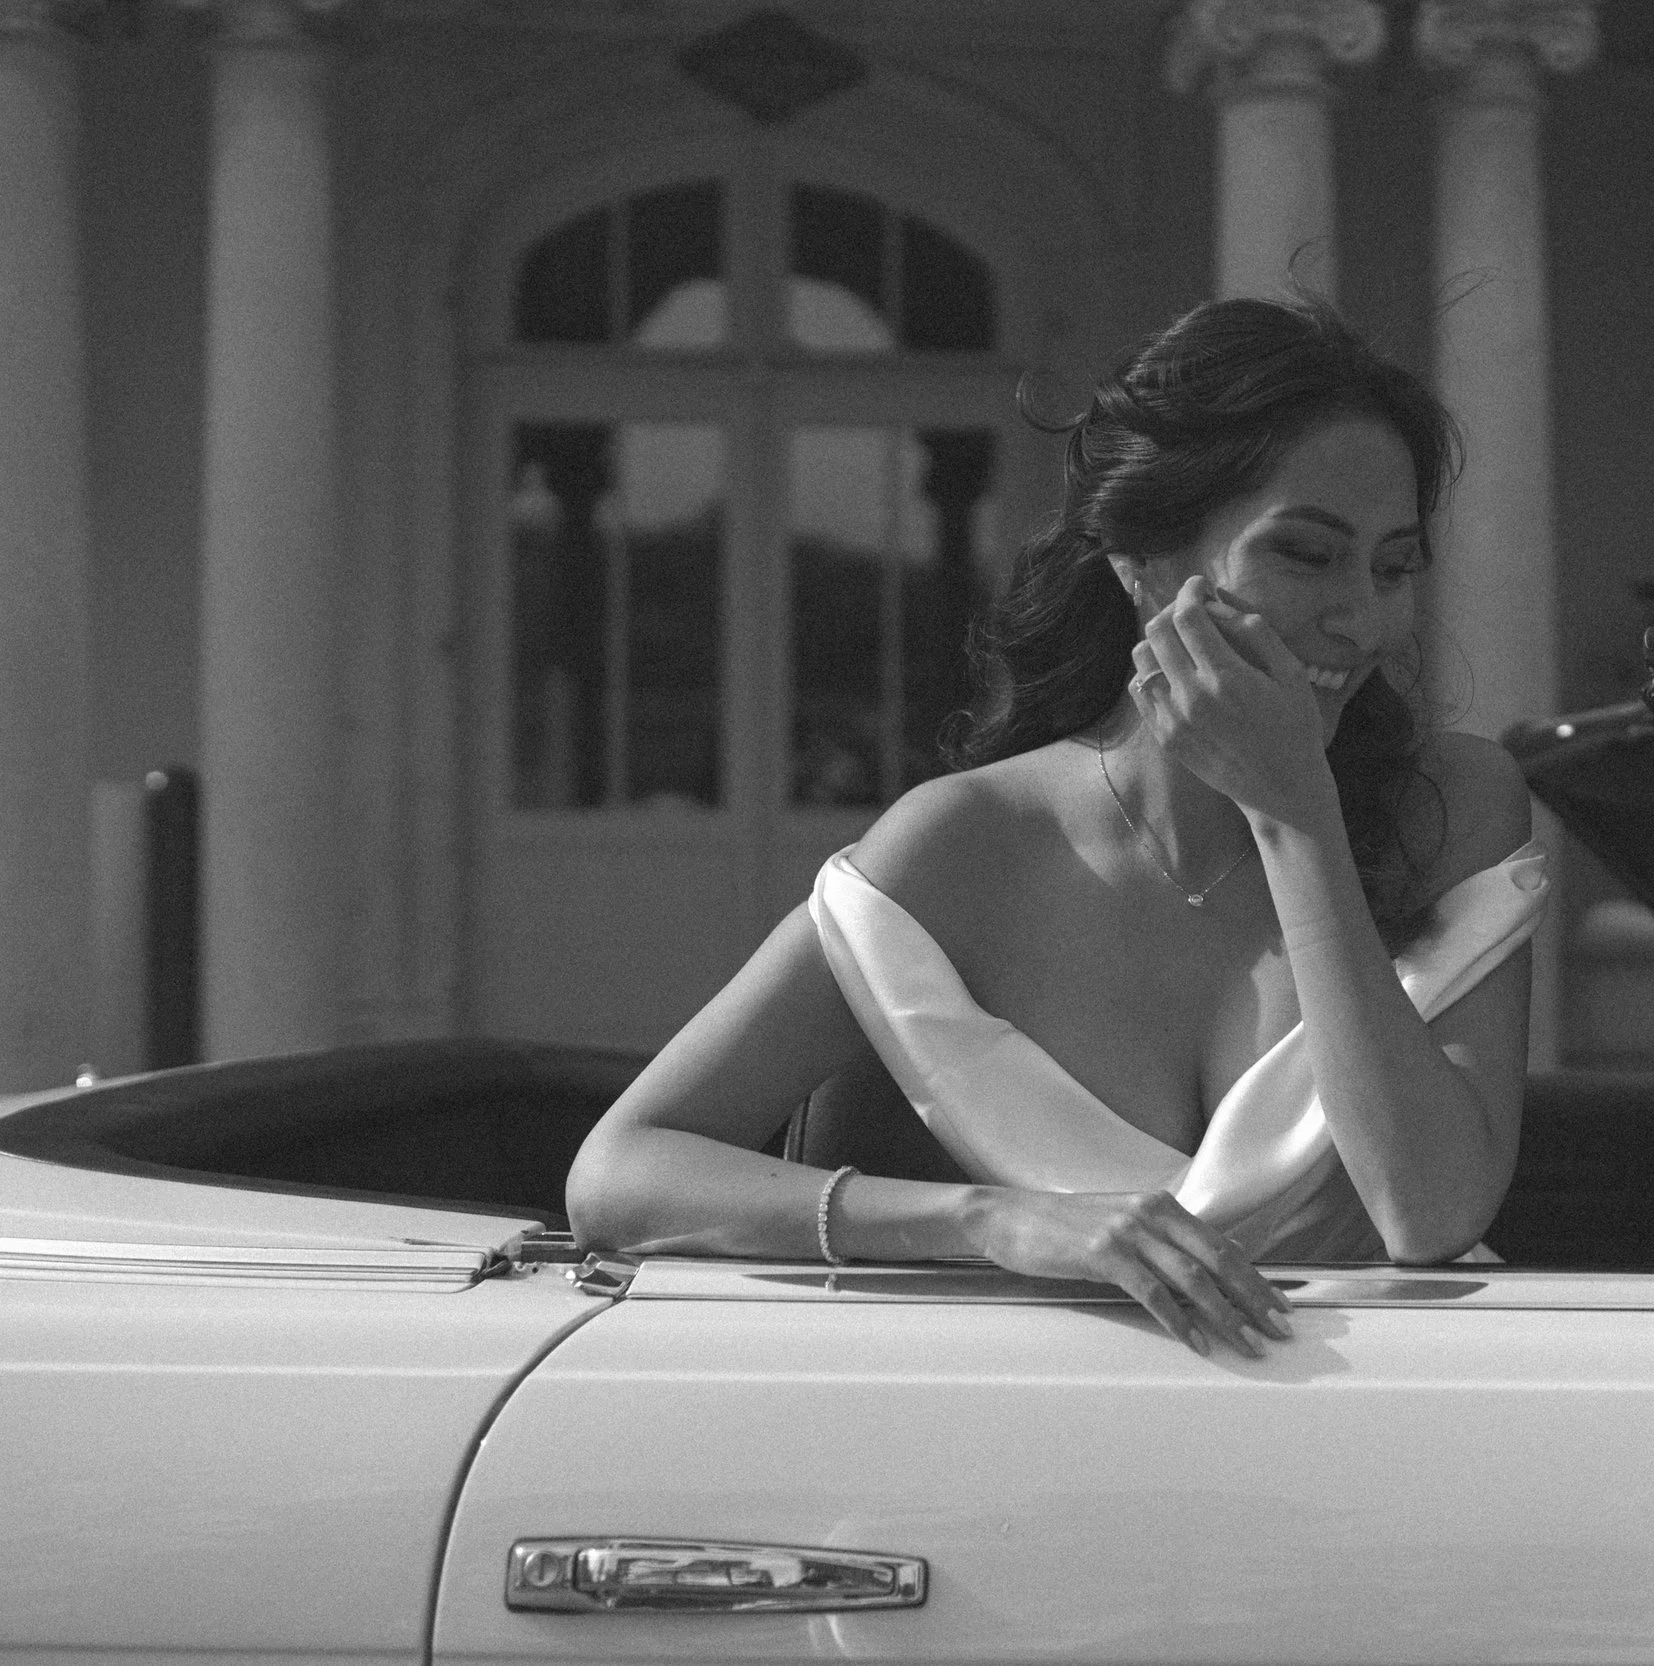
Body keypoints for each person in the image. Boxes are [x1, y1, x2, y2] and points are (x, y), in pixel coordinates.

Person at [566, 297, 1545, 1358]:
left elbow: (1430, 1213)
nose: (1362, 616)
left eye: (1393, 566)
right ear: (1144, 562)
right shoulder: (968, 842)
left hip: (1410, 1434)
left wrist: (1294, 816)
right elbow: (621, 1171)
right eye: (1307, 555)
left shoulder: (1453, 805)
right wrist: (986, 1223)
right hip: (1060, 1451)